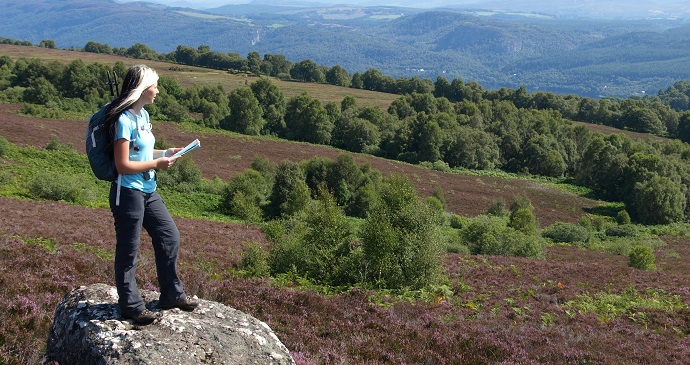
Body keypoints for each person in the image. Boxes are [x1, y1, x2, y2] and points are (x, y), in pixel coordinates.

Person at [105, 64, 198, 325]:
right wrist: (157, 165)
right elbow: (123, 165)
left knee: (169, 236)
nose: (157, 91)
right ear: (143, 89)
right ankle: (131, 307)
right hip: (129, 193)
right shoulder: (123, 120)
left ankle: (171, 295)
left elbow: (142, 153)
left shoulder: (143, 116)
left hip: (148, 190)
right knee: (129, 250)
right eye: (154, 86)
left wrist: (164, 153)